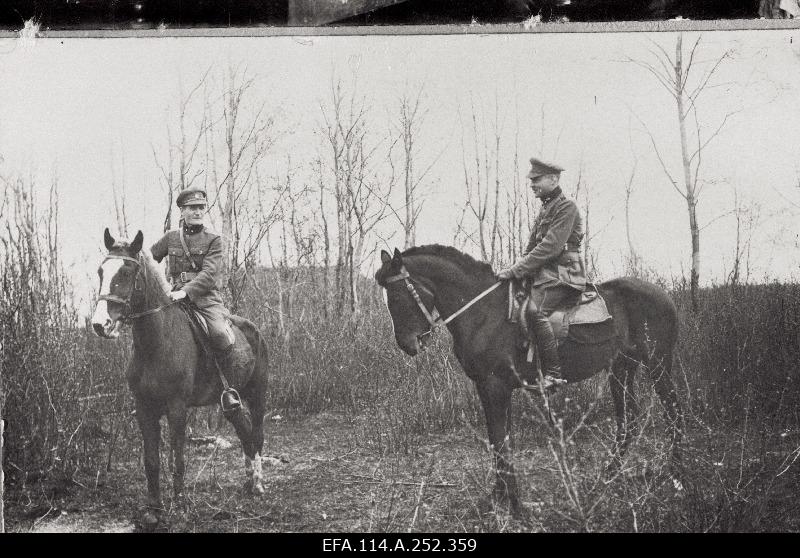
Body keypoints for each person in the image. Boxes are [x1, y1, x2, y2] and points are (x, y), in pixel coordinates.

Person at [496, 158, 586, 392]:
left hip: (564, 273)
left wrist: (517, 270)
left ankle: (553, 375)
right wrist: (518, 272)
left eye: (536, 180)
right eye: (531, 180)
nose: (532, 184)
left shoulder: (567, 208)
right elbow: (531, 248)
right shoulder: (546, 209)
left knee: (535, 311)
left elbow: (551, 247)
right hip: (544, 273)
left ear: (553, 179)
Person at [150, 187, 241, 413]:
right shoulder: (170, 238)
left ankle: (226, 390)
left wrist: (187, 291)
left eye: (201, 207)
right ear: (182, 211)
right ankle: (151, 392)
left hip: (206, 301)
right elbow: (148, 262)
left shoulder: (213, 240)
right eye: (192, 208)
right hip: (173, 299)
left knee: (220, 334)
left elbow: (210, 275)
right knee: (152, 332)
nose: (198, 212)